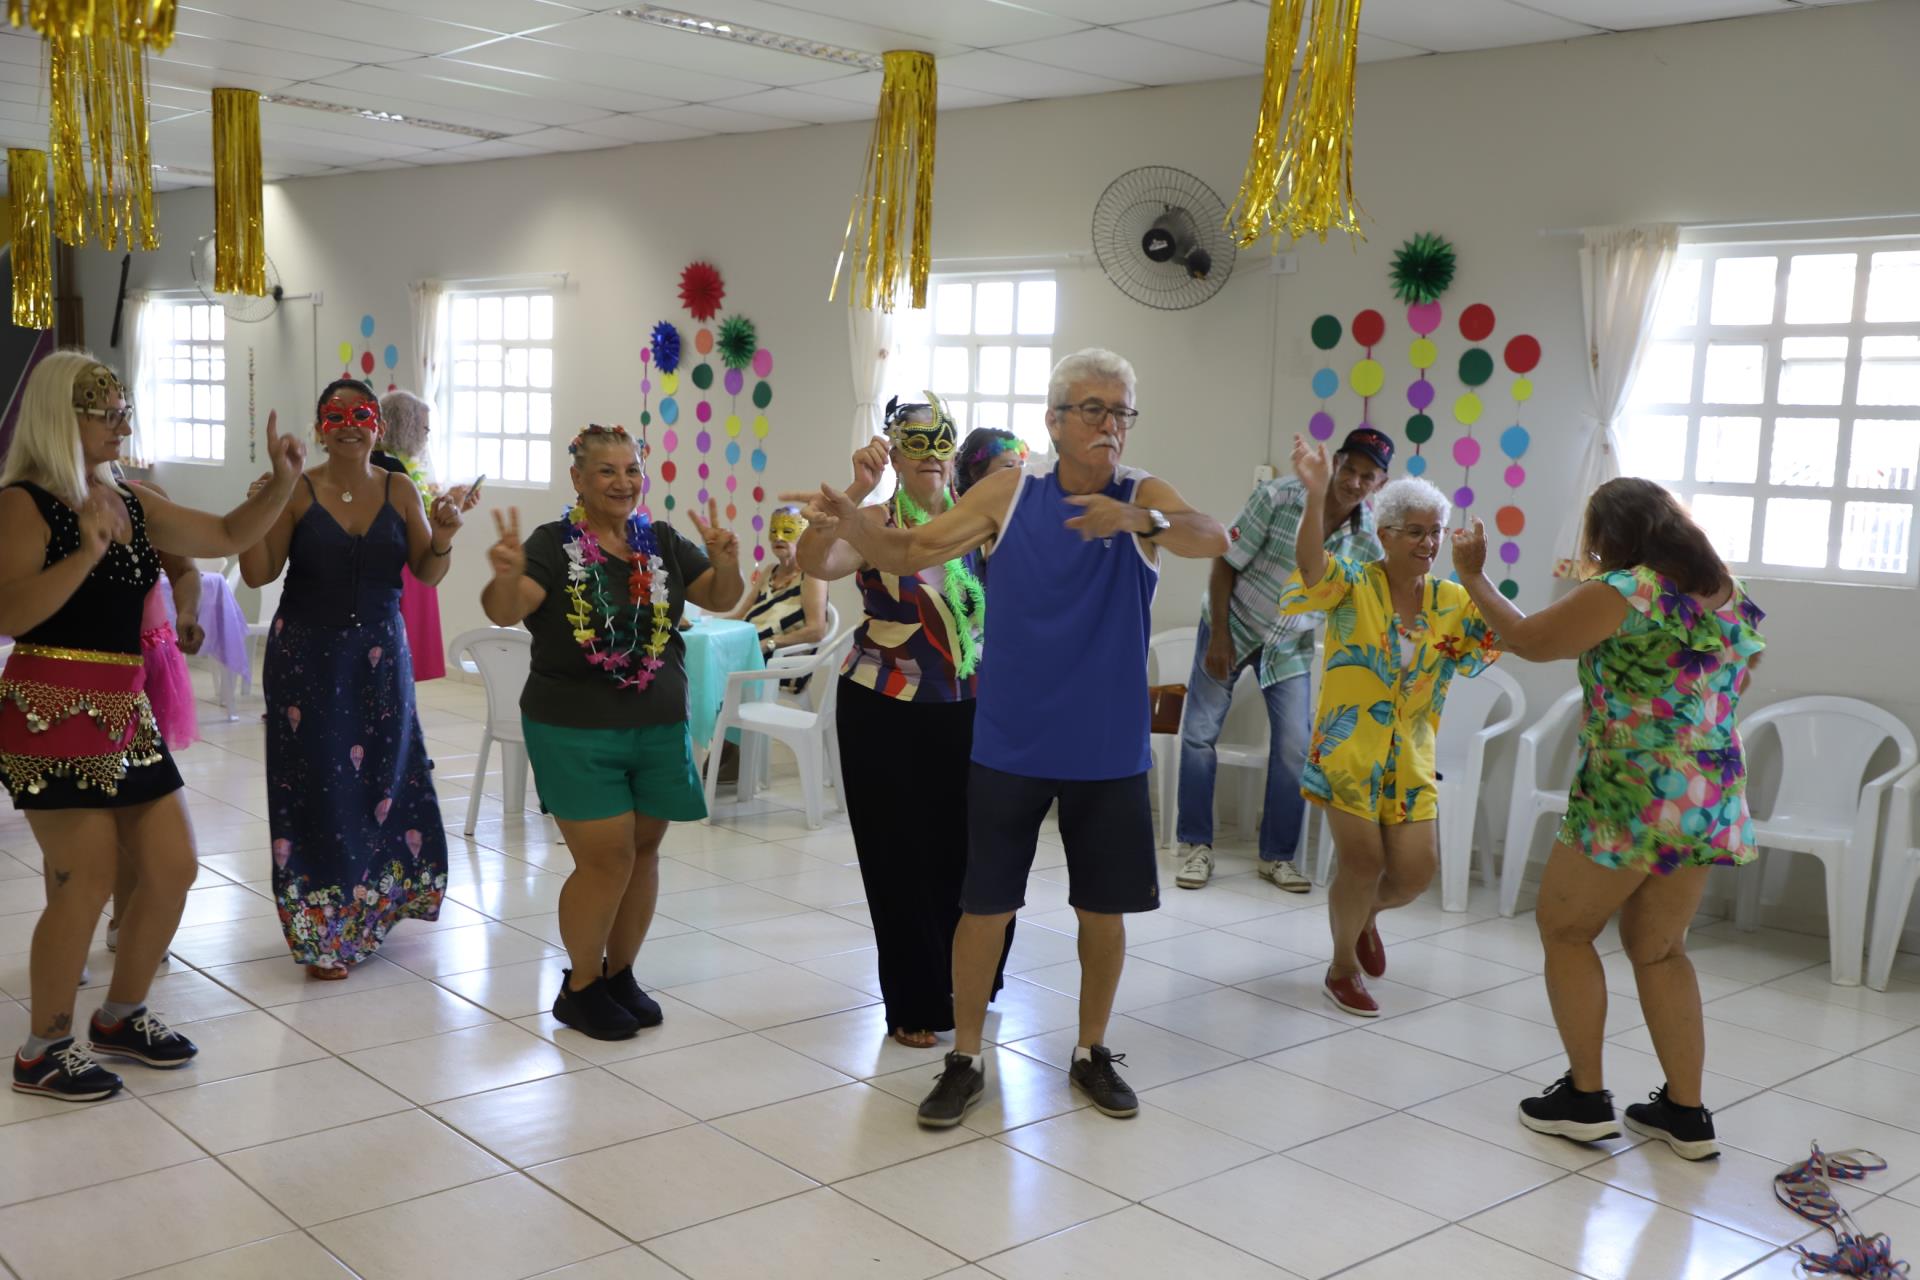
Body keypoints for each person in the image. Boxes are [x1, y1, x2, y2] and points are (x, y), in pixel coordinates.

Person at [790, 349, 1228, 1127]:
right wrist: (855, 519)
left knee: (1102, 909)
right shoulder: (1010, 493)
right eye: (1092, 409)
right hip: (1010, 741)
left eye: (1121, 411)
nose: (1109, 426)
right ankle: (964, 1058)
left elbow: (1209, 534)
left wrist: (1139, 520)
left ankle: (1092, 1051)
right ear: (1055, 421)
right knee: (984, 903)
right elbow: (914, 551)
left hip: (1105, 749)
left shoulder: (1141, 493)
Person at [3, 351, 304, 1101]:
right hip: (48, 702)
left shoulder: (131, 499)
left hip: (123, 705)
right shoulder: (22, 504)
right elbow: (8, 615)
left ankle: (122, 1015)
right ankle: (43, 1048)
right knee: (86, 880)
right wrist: (87, 550)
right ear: (56, 416)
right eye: (103, 412)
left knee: (172, 865)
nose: (120, 424)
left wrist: (287, 484)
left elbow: (231, 532)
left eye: (122, 410)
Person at [1453, 478, 1765, 1161]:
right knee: (1660, 947)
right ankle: (1685, 1115)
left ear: (1610, 539)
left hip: (1634, 787)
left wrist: (1474, 578)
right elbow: (1749, 664)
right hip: (1708, 791)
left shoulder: (1629, 590)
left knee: (1565, 929)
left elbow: (1530, 640)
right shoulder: (1724, 591)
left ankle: (1585, 1101)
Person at [481, 425, 743, 1040]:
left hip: (656, 723)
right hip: (574, 728)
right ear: (578, 478)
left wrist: (729, 562)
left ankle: (620, 974)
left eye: (631, 469)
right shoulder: (551, 544)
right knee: (607, 859)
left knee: (644, 853)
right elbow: (505, 608)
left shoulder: (662, 543)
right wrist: (504, 574)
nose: (622, 482)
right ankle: (580, 987)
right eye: (606, 471)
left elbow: (722, 598)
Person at [239, 378, 477, 981]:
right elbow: (260, 571)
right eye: (336, 414)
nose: (350, 423)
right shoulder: (295, 489)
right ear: (320, 426)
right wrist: (257, 509)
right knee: (319, 786)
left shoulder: (400, 488)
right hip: (307, 662)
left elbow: (426, 570)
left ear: (377, 424)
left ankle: (369, 913)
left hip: (380, 661)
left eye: (362, 413)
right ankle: (324, 930)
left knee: (381, 781)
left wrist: (445, 536)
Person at [793, 395, 1009, 1050]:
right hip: (881, 707)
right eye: (915, 444)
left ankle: (971, 982)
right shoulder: (876, 523)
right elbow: (815, 562)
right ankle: (914, 1002)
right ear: (891, 451)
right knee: (899, 860)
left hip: (969, 708)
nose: (932, 456)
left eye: (941, 443)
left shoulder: (981, 526)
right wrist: (851, 498)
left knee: (970, 857)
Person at [1277, 439, 1500, 1020]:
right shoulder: (1353, 584)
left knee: (1413, 875)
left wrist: (1478, 580)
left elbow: (1509, 636)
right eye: (1417, 532)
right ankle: (1341, 966)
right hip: (1348, 747)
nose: (1429, 544)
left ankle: (1366, 919)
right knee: (1362, 861)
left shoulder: (1452, 601)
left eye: (1436, 533)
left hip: (1411, 757)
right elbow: (1308, 568)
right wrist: (1314, 493)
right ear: (1386, 534)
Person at [1174, 427, 1389, 893]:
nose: (1354, 481)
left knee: (1294, 748)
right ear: (1334, 463)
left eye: (1366, 476)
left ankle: (1277, 856)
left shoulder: (1367, 537)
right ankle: (1196, 846)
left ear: (1380, 485)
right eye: (1348, 468)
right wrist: (1220, 639)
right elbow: (1224, 563)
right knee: (1198, 735)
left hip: (1289, 642)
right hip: (1232, 621)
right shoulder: (1277, 497)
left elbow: (1355, 608)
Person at [376, 389, 448, 683]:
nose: (427, 434)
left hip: (418, 561)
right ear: (405, 424)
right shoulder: (386, 466)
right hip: (398, 567)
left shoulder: (407, 467)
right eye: (424, 427)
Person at [721, 503, 828, 660]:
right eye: (773, 531)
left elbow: (816, 630)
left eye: (787, 531)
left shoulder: (812, 575)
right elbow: (740, 616)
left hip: (777, 664)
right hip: (746, 652)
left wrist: (769, 643)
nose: (778, 537)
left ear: (803, 537)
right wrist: (706, 627)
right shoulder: (769, 571)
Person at [954, 427, 1026, 497]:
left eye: (1021, 465)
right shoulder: (960, 508)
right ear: (975, 472)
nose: (1020, 472)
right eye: (1009, 466)